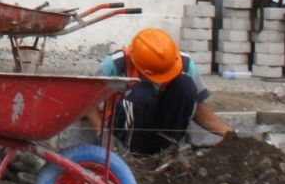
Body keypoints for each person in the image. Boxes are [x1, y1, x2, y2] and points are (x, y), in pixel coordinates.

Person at [83, 28, 235, 155]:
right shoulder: (118, 63)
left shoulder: (185, 63)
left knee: (185, 86)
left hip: (164, 129)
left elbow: (199, 109)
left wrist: (230, 135)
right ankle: (133, 157)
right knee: (142, 93)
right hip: (127, 130)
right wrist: (101, 132)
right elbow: (86, 99)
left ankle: (169, 152)